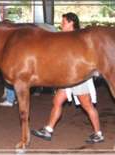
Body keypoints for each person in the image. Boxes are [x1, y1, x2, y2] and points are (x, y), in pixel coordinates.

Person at [31, 12, 104, 144]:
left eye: (64, 22)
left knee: (87, 105)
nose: (61, 24)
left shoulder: (79, 37)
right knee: (57, 101)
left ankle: (98, 133)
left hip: (79, 76)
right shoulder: (64, 36)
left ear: (71, 23)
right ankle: (48, 130)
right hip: (66, 77)